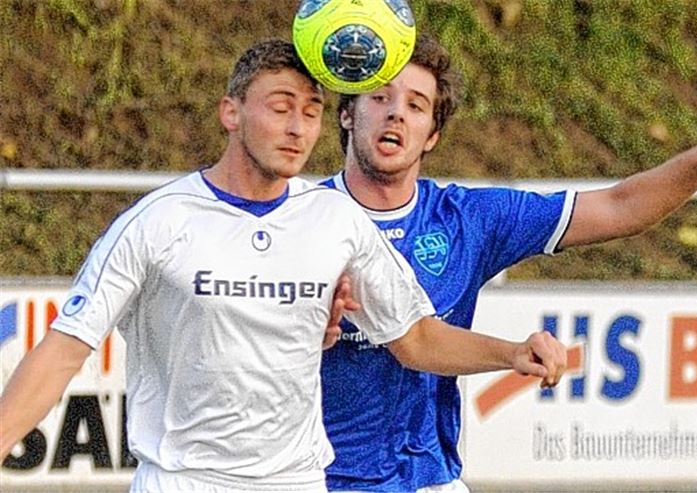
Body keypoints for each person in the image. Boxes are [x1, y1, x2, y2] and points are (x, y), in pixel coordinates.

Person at [0, 39, 567, 492]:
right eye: (280, 108)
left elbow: (415, 338)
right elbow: (62, 352)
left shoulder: (334, 221)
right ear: (231, 112)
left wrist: (510, 353)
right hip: (183, 481)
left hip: (296, 481)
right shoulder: (159, 221)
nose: (298, 127)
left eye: (312, 111)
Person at [319, 32, 697, 492]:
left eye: (416, 105)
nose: (397, 113)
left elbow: (621, 207)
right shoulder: (304, 221)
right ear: (346, 114)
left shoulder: (468, 219)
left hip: (429, 479)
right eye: (380, 98)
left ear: (432, 136)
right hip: (312, 479)